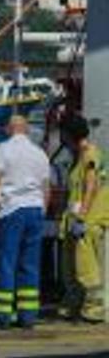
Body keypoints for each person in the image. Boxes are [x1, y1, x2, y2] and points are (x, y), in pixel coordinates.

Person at [0, 115, 51, 329]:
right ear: (25, 130)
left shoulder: (2, 149)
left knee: (7, 263)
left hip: (11, 210)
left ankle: (3, 316)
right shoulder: (40, 153)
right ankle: (28, 316)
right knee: (30, 264)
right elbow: (46, 188)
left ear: (10, 128)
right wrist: (42, 210)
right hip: (35, 210)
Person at [58, 114, 109, 322]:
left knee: (86, 269)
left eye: (62, 132)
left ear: (70, 135)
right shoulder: (79, 156)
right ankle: (74, 305)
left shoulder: (89, 155)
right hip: (78, 222)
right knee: (71, 268)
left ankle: (94, 309)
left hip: (87, 223)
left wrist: (81, 218)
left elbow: (91, 186)